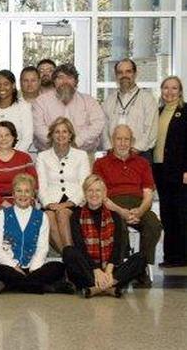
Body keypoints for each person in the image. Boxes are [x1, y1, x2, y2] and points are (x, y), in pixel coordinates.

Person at [93, 125, 160, 286]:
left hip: (139, 205)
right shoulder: (101, 163)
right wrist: (121, 211)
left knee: (153, 225)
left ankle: (141, 266)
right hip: (113, 205)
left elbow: (148, 193)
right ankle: (120, 266)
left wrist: (140, 211)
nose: (122, 143)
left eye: (126, 139)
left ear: (132, 142)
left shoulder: (142, 163)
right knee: (118, 225)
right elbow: (100, 194)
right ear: (112, 140)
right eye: (119, 139)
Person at [62, 174, 146, 297]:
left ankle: (96, 288)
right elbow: (80, 246)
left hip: (110, 268)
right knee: (68, 252)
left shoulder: (114, 215)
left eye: (98, 190)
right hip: (88, 269)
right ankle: (110, 287)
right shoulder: (76, 215)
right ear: (85, 194)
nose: (94, 194)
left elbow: (118, 246)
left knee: (141, 257)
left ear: (104, 193)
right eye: (90, 190)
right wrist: (96, 270)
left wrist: (108, 271)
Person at [0, 174, 70, 294]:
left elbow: (42, 248)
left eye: (27, 191)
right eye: (19, 191)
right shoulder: (1, 215)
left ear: (33, 195)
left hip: (33, 268)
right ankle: (43, 286)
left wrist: (33, 269)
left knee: (58, 267)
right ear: (13, 194)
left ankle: (13, 286)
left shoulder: (41, 216)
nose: (23, 195)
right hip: (9, 267)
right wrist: (14, 267)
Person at [36, 117, 90, 252]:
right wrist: (48, 204)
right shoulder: (42, 156)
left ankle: (69, 259)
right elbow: (41, 187)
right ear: (51, 135)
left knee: (62, 214)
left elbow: (85, 186)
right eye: (57, 132)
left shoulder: (81, 155)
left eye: (64, 131)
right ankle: (71, 259)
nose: (61, 135)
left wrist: (68, 204)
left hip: (75, 204)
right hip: (51, 202)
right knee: (47, 216)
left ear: (70, 135)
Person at [32, 63, 105, 159]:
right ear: (54, 81)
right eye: (61, 77)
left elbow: (97, 125)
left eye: (70, 77)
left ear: (76, 82)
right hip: (49, 156)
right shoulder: (41, 101)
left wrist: (77, 142)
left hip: (84, 156)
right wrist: (58, 144)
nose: (65, 81)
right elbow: (38, 128)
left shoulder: (89, 101)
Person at [152, 76, 187, 267]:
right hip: (160, 169)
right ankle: (170, 256)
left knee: (181, 214)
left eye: (174, 88)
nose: (169, 92)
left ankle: (182, 256)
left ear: (180, 91)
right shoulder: (158, 112)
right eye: (166, 88)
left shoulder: (185, 111)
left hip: (179, 171)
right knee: (166, 213)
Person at [0, 121, 37, 223]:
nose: (3, 139)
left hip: (24, 201)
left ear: (13, 137)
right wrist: (5, 204)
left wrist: (24, 202)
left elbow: (34, 184)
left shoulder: (25, 158)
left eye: (7, 135)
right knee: (11, 219)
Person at [101, 58, 158, 160]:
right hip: (113, 155)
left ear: (135, 74)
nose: (124, 76)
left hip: (140, 155)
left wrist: (134, 151)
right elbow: (104, 128)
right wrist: (110, 149)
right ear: (116, 76)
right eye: (120, 72)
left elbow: (150, 130)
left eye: (128, 71)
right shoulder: (109, 100)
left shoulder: (147, 99)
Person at [0, 69, 33, 157]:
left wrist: (11, 159)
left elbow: (27, 138)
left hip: (18, 160)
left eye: (6, 84)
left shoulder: (24, 107)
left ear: (13, 85)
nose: (2, 87)